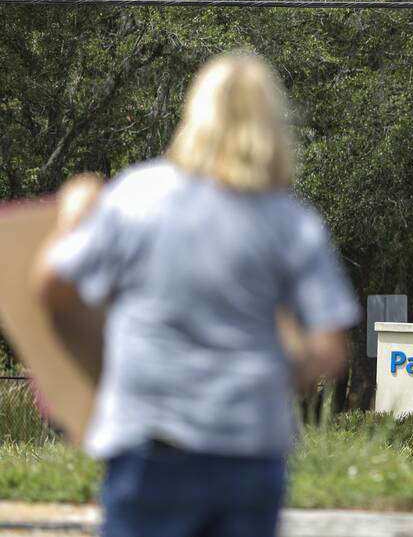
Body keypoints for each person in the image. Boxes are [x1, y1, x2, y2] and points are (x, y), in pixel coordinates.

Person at [32, 51, 360, 537]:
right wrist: (271, 377)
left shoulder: (138, 197)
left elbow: (51, 283)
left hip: (150, 443)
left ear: (194, 116)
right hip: (251, 450)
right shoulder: (291, 222)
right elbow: (330, 350)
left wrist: (72, 218)